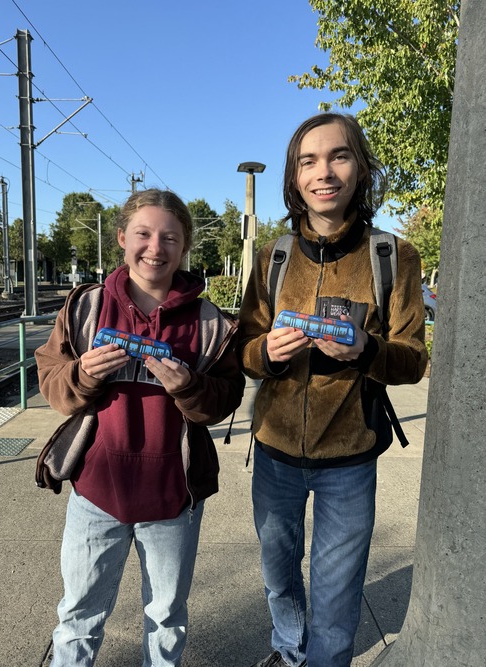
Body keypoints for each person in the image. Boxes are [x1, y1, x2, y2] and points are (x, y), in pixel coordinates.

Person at [238, 113, 427, 667]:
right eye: (308, 161)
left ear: (361, 167)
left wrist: (367, 352)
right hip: (273, 452)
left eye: (339, 156)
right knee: (278, 578)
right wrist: (266, 354)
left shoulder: (393, 256)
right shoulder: (273, 258)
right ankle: (288, 649)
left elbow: (414, 360)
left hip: (350, 458)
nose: (324, 172)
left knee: (337, 592)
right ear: (295, 178)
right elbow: (246, 347)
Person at [35, 188, 245, 667]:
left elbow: (226, 399)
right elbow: (52, 383)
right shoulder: (85, 307)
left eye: (170, 237)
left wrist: (190, 386)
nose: (156, 247)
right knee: (79, 615)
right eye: (144, 234)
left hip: (174, 497)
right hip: (95, 492)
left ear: (185, 246)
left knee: (167, 616)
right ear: (121, 238)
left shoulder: (209, 321)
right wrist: (82, 375)